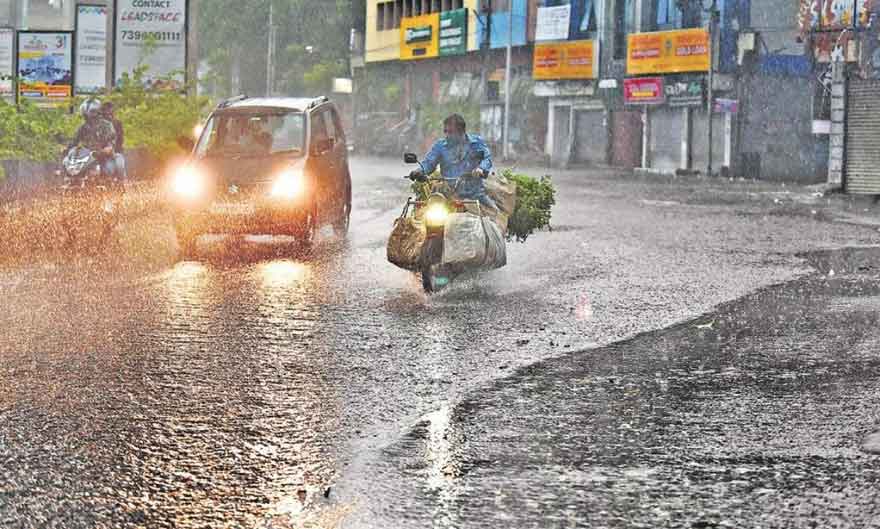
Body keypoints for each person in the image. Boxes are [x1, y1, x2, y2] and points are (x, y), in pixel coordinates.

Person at [408, 114, 497, 211]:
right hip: (448, 197)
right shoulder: (440, 146)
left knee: (495, 217)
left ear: (461, 132)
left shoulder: (476, 143)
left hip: (475, 197)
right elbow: (429, 163)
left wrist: (481, 169)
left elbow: (487, 158)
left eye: (450, 132)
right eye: (445, 131)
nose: (447, 135)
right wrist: (419, 171)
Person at [69, 98, 121, 180]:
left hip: (104, 156)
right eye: (86, 115)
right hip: (87, 157)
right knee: (72, 170)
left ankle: (119, 185)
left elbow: (112, 139)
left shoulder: (107, 125)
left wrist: (108, 148)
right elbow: (74, 141)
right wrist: (68, 148)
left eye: (91, 114)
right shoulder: (82, 127)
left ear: (98, 113)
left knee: (113, 166)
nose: (89, 118)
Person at [101, 101, 127, 180]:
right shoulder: (98, 125)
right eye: (105, 112)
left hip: (115, 152)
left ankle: (122, 184)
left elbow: (120, 139)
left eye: (110, 112)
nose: (108, 115)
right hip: (99, 153)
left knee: (120, 166)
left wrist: (112, 149)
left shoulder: (117, 123)